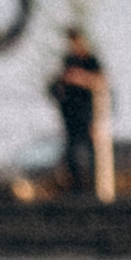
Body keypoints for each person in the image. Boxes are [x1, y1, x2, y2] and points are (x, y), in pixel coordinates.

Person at [52, 31, 107, 199]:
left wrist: (79, 78)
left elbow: (100, 82)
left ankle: (93, 189)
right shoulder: (68, 60)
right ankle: (75, 188)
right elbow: (60, 82)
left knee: (89, 152)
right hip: (70, 115)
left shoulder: (90, 60)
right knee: (72, 151)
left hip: (87, 114)